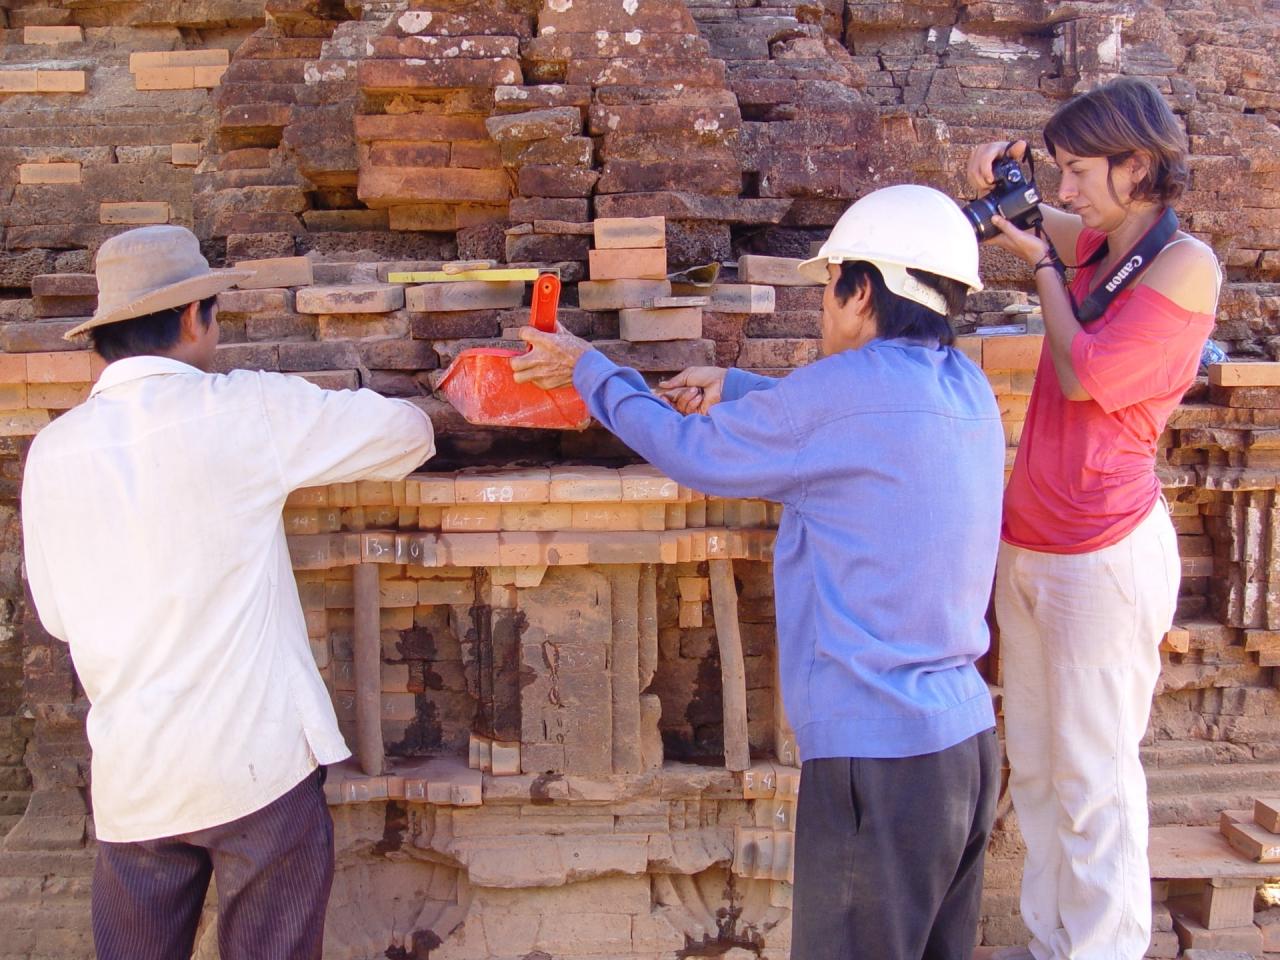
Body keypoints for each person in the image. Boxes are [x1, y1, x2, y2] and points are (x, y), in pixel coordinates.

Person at [511, 184, 1006, 960]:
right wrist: (736, 387)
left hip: (879, 761)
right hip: (966, 749)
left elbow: (689, 453)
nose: (822, 314)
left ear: (862, 289)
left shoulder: (841, 394)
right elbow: (859, 427)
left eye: (828, 292)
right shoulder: (967, 388)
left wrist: (592, 371)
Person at [21, 226, 436, 960]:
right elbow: (407, 435)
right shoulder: (242, 411)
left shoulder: (52, 452)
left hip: (136, 778)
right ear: (192, 318)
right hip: (257, 769)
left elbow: (57, 616)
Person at [966, 77, 1222, 960]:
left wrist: (1041, 262)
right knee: (1035, 770)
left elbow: (1088, 374)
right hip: (1031, 538)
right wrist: (1014, 190)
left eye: (1079, 171)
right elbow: (1040, 225)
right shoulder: (1100, 244)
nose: (1067, 190)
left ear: (1137, 163)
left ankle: (1105, 949)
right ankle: (1052, 943)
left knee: (1096, 777)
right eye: (1061, 172)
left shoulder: (1185, 262)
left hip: (1102, 549)